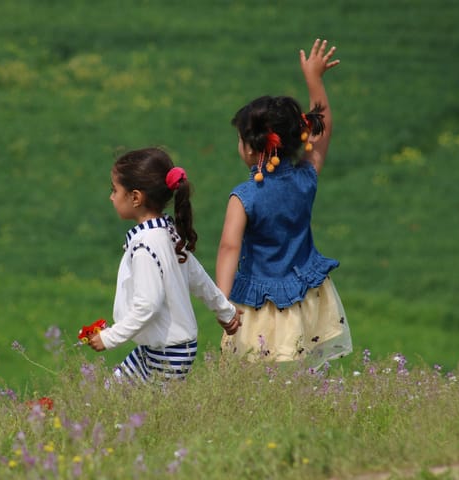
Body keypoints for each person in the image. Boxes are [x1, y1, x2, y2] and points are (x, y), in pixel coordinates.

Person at [216, 39, 352, 367]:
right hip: (306, 302)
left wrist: (221, 302)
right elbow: (323, 128)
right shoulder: (306, 177)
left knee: (253, 384)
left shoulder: (243, 197)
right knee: (300, 376)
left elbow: (228, 248)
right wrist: (314, 79)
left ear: (252, 148)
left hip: (261, 309)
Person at [87, 147, 242, 383]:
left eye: (114, 190)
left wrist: (110, 337)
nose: (111, 196)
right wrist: (225, 310)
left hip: (167, 352)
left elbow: (147, 305)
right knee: (112, 394)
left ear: (136, 197)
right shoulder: (167, 234)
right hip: (164, 348)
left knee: (147, 412)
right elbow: (199, 278)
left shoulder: (145, 247)